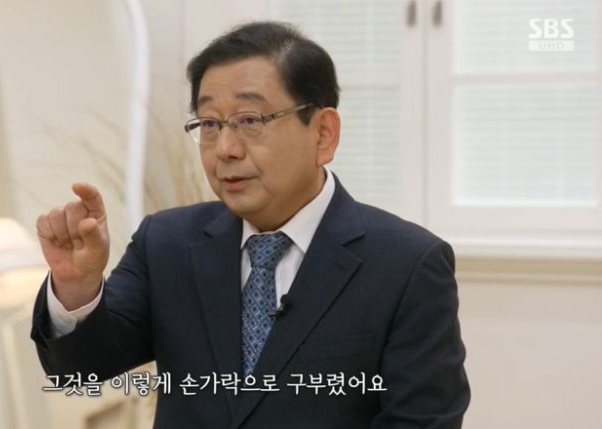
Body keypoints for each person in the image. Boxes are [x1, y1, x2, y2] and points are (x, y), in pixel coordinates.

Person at [31, 21, 470, 428]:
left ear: (323, 134)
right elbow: (79, 371)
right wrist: (76, 288)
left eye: (249, 121)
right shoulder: (166, 243)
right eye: (209, 124)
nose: (225, 148)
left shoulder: (407, 265)